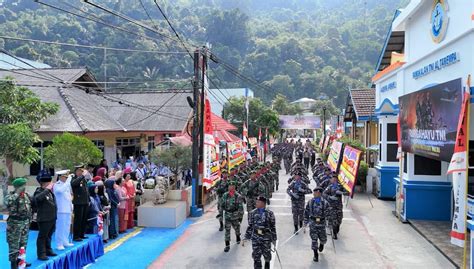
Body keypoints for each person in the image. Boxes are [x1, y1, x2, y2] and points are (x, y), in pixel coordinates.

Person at [5, 178, 32, 269]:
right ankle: (13, 264)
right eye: (22, 185)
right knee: (14, 245)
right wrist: (17, 193)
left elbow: (29, 209)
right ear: (17, 187)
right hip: (14, 225)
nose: (24, 187)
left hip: (25, 223)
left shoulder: (26, 196)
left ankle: (21, 261)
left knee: (23, 243)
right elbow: (8, 202)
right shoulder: (11, 196)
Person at [244, 196, 277, 269]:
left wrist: (274, 239)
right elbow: (250, 226)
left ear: (263, 203)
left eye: (258, 202)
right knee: (256, 256)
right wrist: (246, 237)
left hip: (266, 237)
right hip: (256, 237)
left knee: (267, 256)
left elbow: (273, 227)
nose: (256, 203)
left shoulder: (270, 213)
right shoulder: (252, 213)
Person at [33, 172, 57, 260]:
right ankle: (41, 254)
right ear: (45, 183)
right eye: (49, 183)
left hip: (51, 218)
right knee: (42, 237)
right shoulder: (39, 191)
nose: (51, 184)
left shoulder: (50, 192)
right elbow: (37, 199)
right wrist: (47, 190)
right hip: (44, 218)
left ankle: (48, 250)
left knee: (49, 236)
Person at [304, 187, 329, 262]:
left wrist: (329, 221)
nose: (314, 194)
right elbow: (306, 212)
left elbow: (328, 213)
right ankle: (315, 254)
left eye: (315, 192)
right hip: (313, 223)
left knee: (323, 239)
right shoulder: (310, 202)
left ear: (319, 193)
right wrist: (305, 222)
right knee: (314, 240)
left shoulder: (325, 203)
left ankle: (322, 244)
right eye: (314, 192)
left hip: (321, 223)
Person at [219, 181, 244, 252]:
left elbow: (240, 207)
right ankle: (227, 245)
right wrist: (221, 214)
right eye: (230, 186)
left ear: (235, 187)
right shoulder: (225, 195)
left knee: (237, 228)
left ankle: (238, 236)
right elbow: (222, 205)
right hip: (227, 216)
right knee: (227, 230)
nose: (231, 187)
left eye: (232, 186)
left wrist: (240, 217)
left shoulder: (238, 196)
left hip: (235, 216)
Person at [53, 170, 74, 250]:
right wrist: (68, 182)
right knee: (60, 227)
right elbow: (60, 191)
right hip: (60, 210)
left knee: (67, 226)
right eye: (65, 177)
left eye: (67, 177)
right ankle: (59, 243)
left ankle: (65, 241)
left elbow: (68, 197)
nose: (66, 179)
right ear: (61, 177)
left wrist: (71, 206)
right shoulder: (57, 185)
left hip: (67, 209)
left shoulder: (66, 185)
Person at [323, 175, 348, 239]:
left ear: (337, 180)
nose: (334, 180)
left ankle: (337, 228)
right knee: (334, 220)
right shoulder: (329, 187)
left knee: (339, 219)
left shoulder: (340, 186)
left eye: (335, 179)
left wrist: (342, 192)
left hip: (339, 206)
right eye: (332, 179)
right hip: (332, 207)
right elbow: (324, 194)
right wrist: (330, 197)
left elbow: (347, 192)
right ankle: (334, 234)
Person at [71, 166, 89, 241]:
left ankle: (82, 234)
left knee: (84, 219)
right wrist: (82, 176)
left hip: (84, 201)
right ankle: (76, 236)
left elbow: (86, 190)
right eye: (79, 171)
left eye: (82, 171)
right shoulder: (74, 178)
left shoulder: (83, 179)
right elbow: (74, 184)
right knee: (78, 219)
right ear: (76, 171)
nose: (81, 172)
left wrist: (88, 199)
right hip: (78, 202)